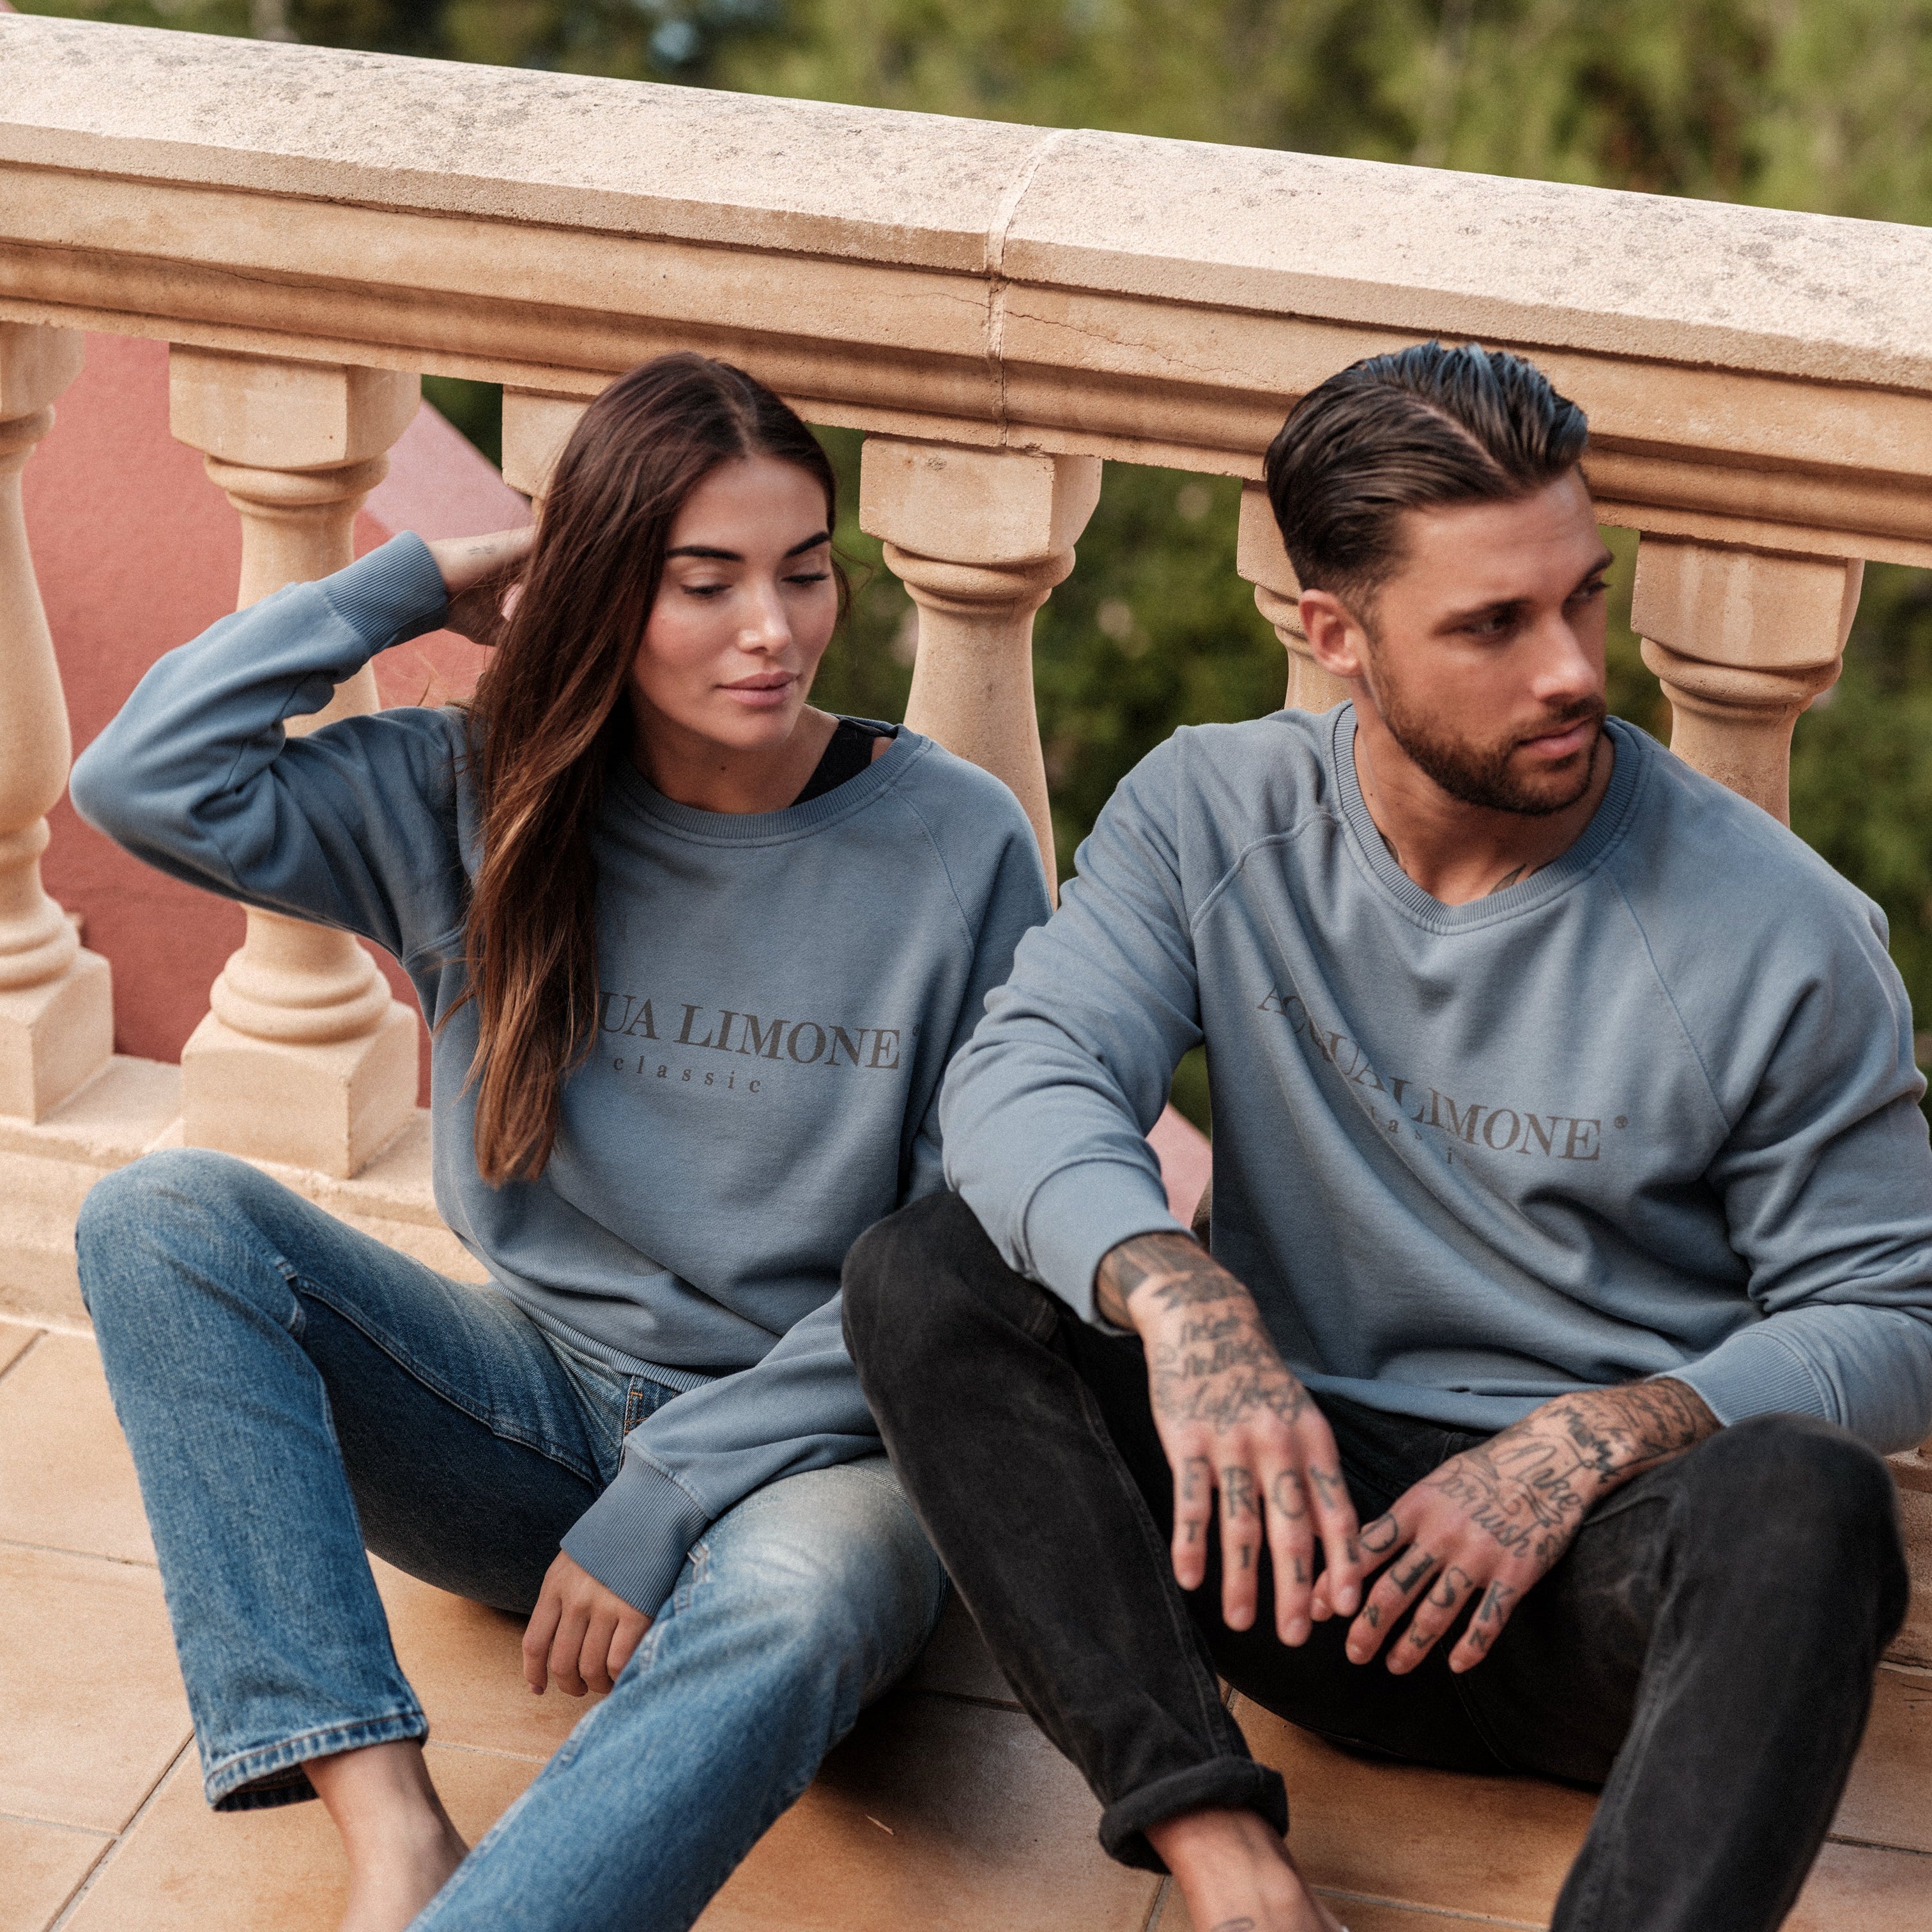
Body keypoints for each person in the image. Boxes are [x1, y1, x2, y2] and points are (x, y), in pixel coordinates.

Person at [842, 341, 1932, 1932]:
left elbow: (1898, 1317)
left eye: (1581, 598)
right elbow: (1024, 1075)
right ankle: (1229, 1870)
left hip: (1595, 1611)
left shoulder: (1782, 930)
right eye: (1492, 624)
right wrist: (1183, 1294)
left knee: (1810, 1508)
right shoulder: (1212, 815)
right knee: (934, 1271)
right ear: (1335, 634)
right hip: (1284, 1539)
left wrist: (1593, 1443)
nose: (1568, 666)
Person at [68, 353, 1048, 1932]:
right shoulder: (479, 794)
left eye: (805, 574)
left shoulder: (948, 840)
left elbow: (974, 1248)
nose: (771, 631)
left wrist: (676, 1485)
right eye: (702, 581)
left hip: (820, 1450)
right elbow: (140, 780)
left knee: (791, 1611)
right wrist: (406, 585)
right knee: (162, 1221)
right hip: (531, 1424)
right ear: (592, 589)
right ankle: (389, 1821)